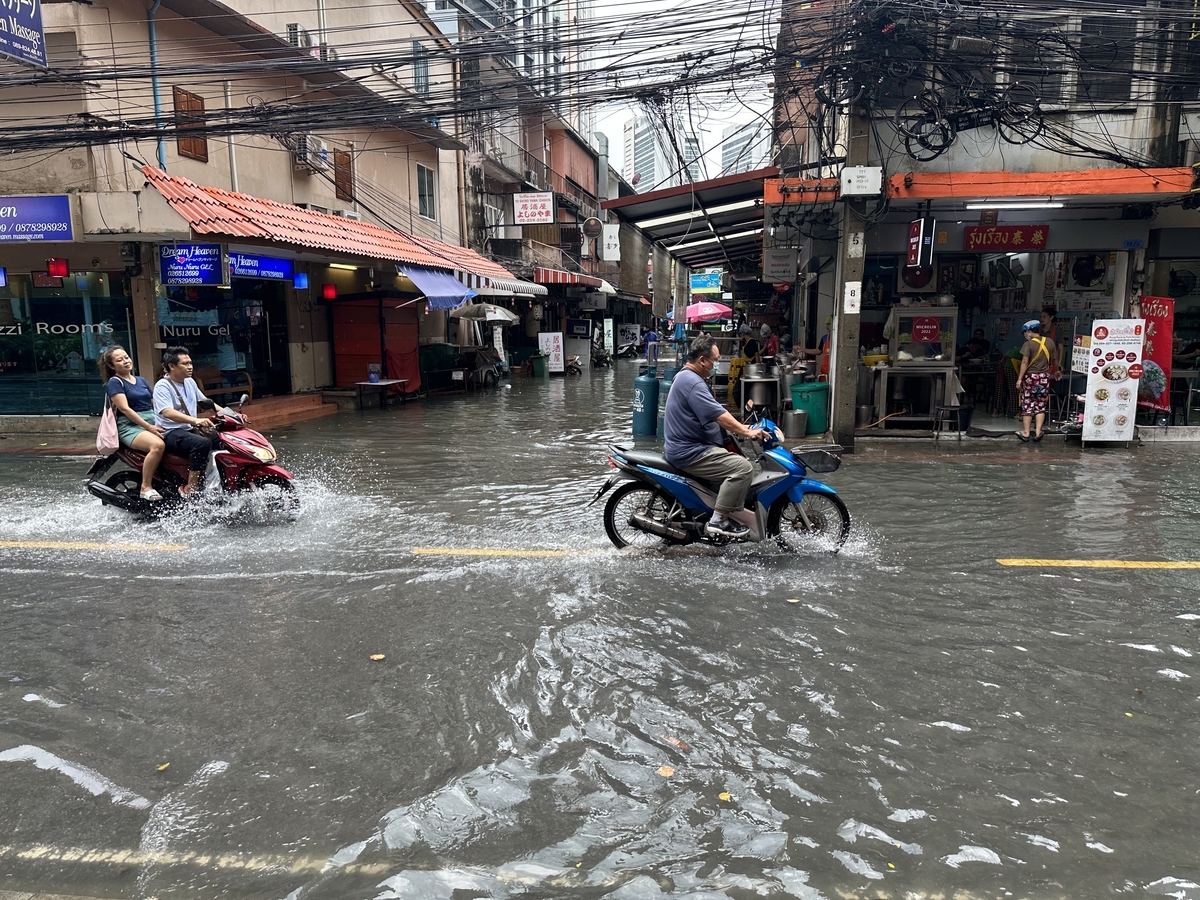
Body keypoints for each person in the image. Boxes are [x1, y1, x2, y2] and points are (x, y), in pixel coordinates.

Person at [664, 335, 764, 539]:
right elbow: (718, 415)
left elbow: (716, 410)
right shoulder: (692, 382)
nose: (717, 365)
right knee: (743, 468)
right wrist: (746, 431)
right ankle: (718, 520)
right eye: (715, 360)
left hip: (691, 445)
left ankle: (722, 511)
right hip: (690, 451)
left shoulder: (690, 378)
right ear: (702, 360)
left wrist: (738, 424)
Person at [99, 345, 166, 502]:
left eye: (126, 357)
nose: (125, 361)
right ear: (111, 366)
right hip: (130, 427)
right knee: (157, 446)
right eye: (119, 360)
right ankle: (146, 487)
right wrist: (148, 427)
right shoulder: (115, 383)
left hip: (152, 421)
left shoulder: (141, 380)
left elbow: (154, 403)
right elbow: (125, 409)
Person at [153, 346, 219, 497]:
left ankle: (213, 478)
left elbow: (205, 402)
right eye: (185, 364)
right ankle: (191, 488)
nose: (190, 367)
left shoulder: (190, 382)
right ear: (171, 366)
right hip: (171, 432)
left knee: (221, 437)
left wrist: (230, 413)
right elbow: (167, 412)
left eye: (190, 363)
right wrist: (196, 420)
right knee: (201, 443)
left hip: (189, 428)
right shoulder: (162, 386)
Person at [1015, 319, 1056, 442]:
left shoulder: (1028, 345)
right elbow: (1055, 360)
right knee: (1040, 404)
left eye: (1025, 333)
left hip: (1031, 378)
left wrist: (1020, 378)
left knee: (1027, 403)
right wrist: (1057, 371)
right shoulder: (1049, 342)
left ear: (1028, 331)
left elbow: (1024, 362)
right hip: (1044, 378)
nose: (1025, 335)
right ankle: (1038, 432)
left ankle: (1026, 432)